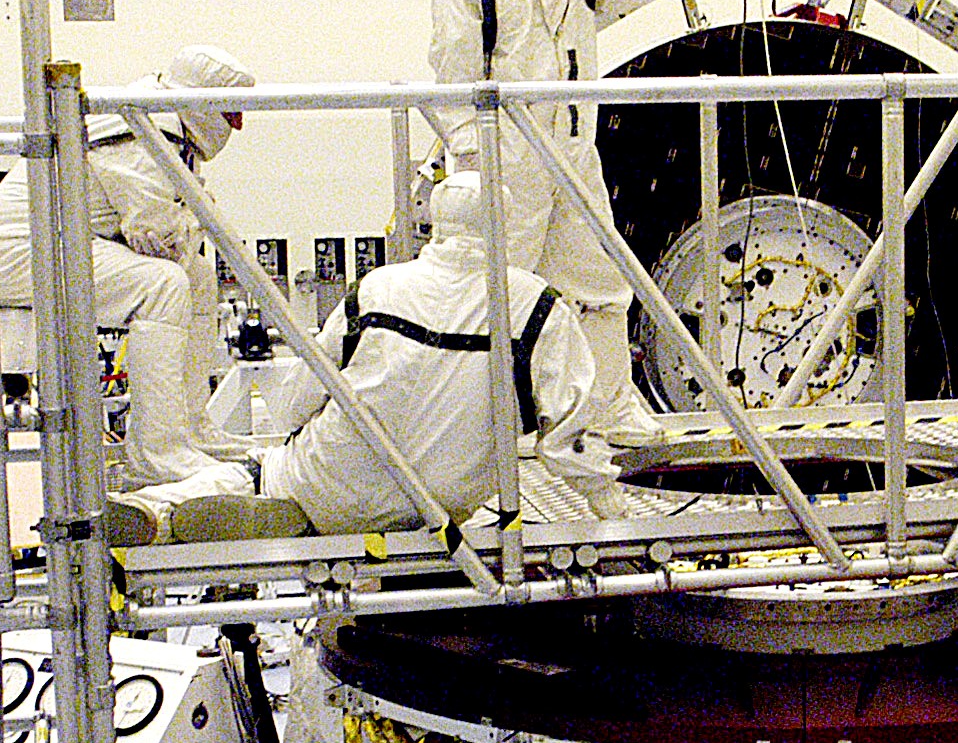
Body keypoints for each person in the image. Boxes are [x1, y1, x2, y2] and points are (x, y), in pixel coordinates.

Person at [430, 0, 767, 445]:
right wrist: (473, 162)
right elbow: (452, 77)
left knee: (600, 282)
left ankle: (609, 408)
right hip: (507, 159)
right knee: (496, 294)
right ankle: (485, 432)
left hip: (575, 150)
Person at [103, 172, 620, 546]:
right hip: (443, 500)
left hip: (337, 479)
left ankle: (159, 513)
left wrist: (292, 432)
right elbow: (568, 437)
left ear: (432, 223)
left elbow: (301, 397)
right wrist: (609, 507)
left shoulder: (377, 288)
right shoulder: (538, 305)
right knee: (324, 480)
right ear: (505, 224)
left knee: (261, 470)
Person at [0, 41, 256, 484]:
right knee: (164, 284)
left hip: (56, 243)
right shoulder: (137, 131)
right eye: (231, 111)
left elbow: (175, 227)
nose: (238, 124)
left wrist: (188, 215)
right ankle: (160, 452)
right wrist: (191, 213)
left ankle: (192, 427)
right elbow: (161, 235)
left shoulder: (153, 123)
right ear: (204, 103)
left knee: (197, 277)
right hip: (21, 251)